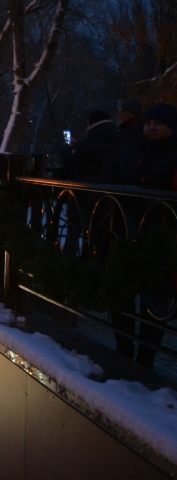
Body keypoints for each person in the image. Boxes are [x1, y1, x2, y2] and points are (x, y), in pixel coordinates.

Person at [100, 103, 177, 368]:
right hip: (124, 230)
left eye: (158, 124)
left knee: (153, 301)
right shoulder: (129, 148)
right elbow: (107, 178)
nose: (151, 128)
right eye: (148, 123)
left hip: (160, 237)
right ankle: (123, 348)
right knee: (121, 294)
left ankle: (145, 359)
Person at [60, 110, 123, 182]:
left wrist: (66, 148)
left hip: (89, 187)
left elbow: (70, 160)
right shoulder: (120, 140)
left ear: (91, 123)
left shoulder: (87, 144)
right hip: (114, 186)